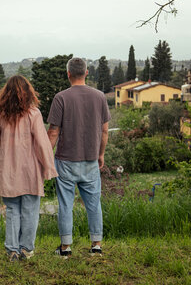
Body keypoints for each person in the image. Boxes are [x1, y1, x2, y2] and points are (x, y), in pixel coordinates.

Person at [0, 75, 58, 262]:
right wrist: (48, 167)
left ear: (6, 93)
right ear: (28, 92)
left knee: (12, 210)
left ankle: (12, 251)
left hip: (7, 171)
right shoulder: (34, 114)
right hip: (30, 171)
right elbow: (42, 144)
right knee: (30, 211)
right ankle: (26, 249)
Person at [47, 57, 110, 257]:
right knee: (94, 204)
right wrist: (101, 154)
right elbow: (105, 130)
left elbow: (53, 132)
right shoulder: (100, 96)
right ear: (86, 73)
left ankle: (65, 248)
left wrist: (47, 157)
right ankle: (96, 246)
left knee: (65, 204)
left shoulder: (61, 98)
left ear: (68, 74)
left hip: (65, 160)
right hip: (91, 159)